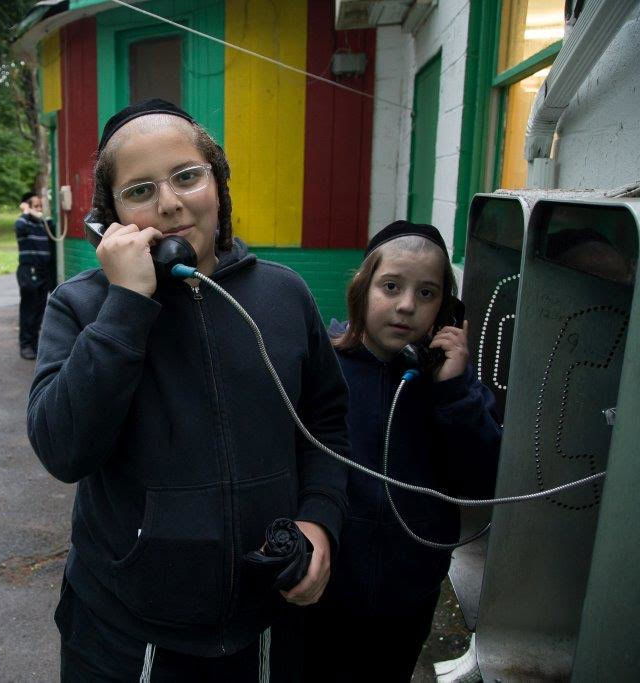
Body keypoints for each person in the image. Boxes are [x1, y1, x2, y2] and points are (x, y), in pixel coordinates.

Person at [26, 99, 350, 681]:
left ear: (217, 184)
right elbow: (62, 448)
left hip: (265, 622)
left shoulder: (284, 295)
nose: (171, 203)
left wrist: (320, 518)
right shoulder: (81, 307)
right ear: (112, 216)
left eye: (186, 176)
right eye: (140, 189)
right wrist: (126, 307)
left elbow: (325, 424)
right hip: (126, 635)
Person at [302, 221, 502, 681]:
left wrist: (452, 392)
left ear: (446, 310)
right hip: (327, 588)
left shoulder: (452, 388)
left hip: (407, 592)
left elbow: (483, 483)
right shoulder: (323, 369)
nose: (406, 305)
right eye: (391, 286)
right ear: (362, 288)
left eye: (427, 294)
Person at [15, 191, 56, 360]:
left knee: (40, 309)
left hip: (43, 270)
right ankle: (25, 345)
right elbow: (19, 227)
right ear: (27, 207)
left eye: (41, 206)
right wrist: (27, 210)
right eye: (36, 206)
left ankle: (34, 343)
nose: (39, 209)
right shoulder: (23, 222)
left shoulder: (42, 224)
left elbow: (54, 228)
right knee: (29, 309)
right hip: (29, 270)